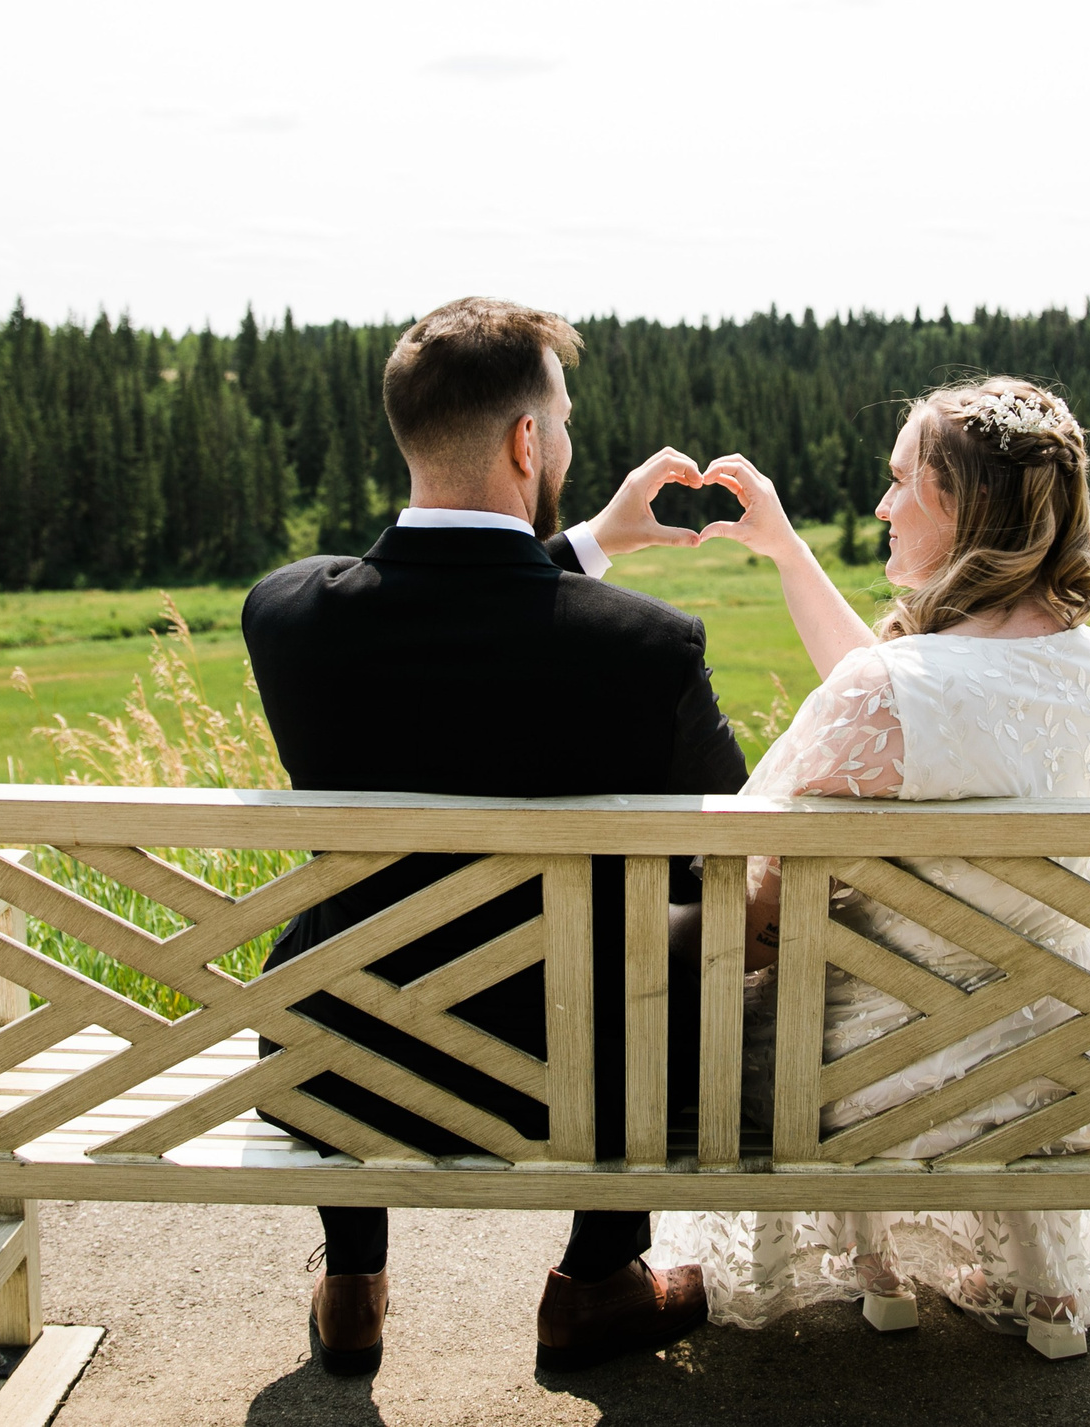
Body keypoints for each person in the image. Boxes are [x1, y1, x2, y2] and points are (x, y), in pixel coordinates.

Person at [241, 297, 744, 1376]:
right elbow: (733, 840)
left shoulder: (285, 617)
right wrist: (589, 555)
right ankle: (598, 1281)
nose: (563, 441)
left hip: (336, 1066)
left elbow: (457, 618)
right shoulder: (647, 649)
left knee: (339, 941)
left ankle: (353, 1280)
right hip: (578, 1071)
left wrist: (588, 542)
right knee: (692, 931)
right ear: (527, 443)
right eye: (559, 422)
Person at [650, 377, 1090, 1360]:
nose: (881, 508)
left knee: (761, 961)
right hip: (1071, 1067)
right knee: (980, 976)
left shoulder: (888, 694)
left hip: (884, 1078)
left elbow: (743, 867)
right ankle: (1045, 1292)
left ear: (959, 506)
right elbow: (923, 709)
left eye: (897, 485)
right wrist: (789, 553)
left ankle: (870, 1270)